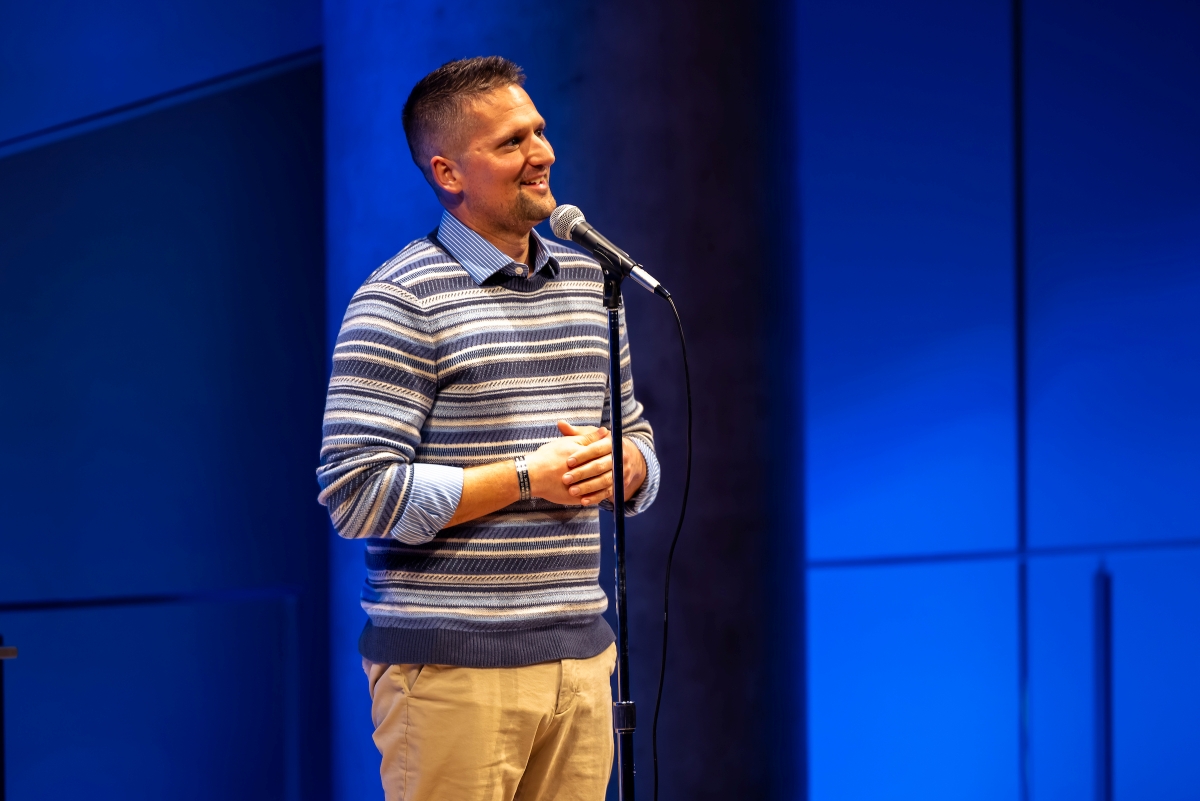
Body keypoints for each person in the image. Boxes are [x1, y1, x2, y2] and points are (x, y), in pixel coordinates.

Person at [316, 56, 661, 801]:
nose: (544, 153)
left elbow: (635, 434)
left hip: (581, 657)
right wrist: (529, 477)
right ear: (448, 172)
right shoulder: (398, 299)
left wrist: (627, 465)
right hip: (449, 670)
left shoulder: (590, 285)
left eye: (539, 130)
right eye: (512, 142)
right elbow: (355, 493)